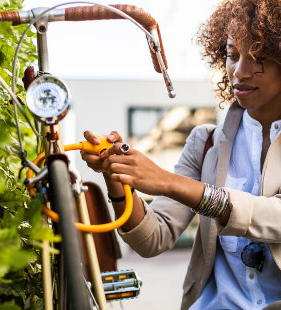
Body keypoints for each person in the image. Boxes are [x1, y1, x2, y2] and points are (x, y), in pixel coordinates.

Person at [81, 0, 281, 308]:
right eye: (232, 55)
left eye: (259, 56)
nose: (239, 71)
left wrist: (169, 182)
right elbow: (152, 239)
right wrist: (118, 174)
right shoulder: (205, 143)